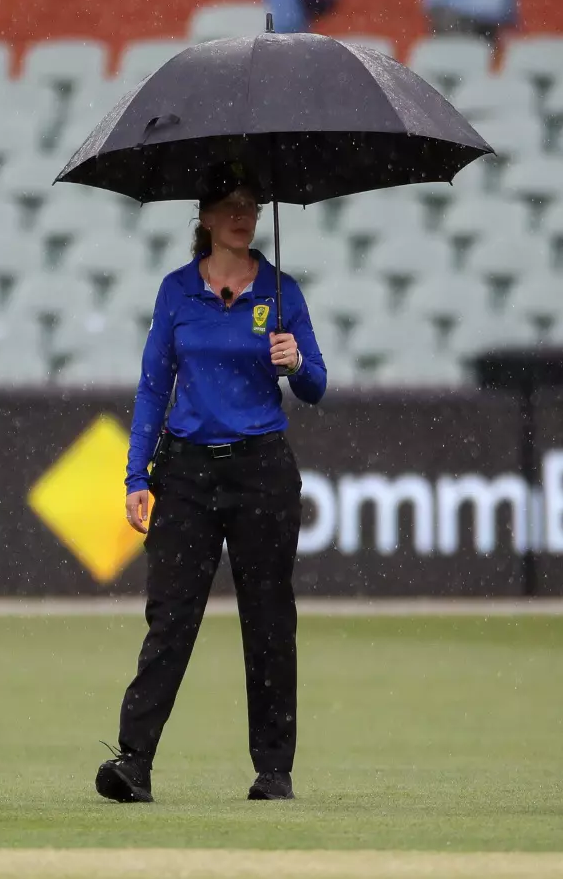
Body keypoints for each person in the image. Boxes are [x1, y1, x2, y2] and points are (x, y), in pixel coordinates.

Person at [95, 162, 327, 804]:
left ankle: (273, 771)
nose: (241, 213)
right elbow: (152, 387)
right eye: (227, 203)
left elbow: (317, 386)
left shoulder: (282, 294)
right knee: (170, 618)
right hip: (188, 470)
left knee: (269, 619)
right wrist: (136, 472)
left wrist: (296, 360)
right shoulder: (176, 292)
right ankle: (133, 763)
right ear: (203, 218)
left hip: (261, 468)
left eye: (251, 202)